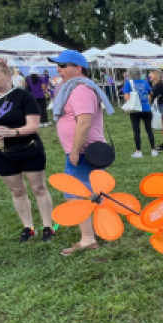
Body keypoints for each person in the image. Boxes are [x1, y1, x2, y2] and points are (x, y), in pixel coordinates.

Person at [0, 56, 54, 242]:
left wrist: (12, 133)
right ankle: (28, 227)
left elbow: (33, 125)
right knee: (17, 191)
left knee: (38, 188)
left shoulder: (23, 96)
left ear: (7, 75)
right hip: (0, 151)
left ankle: (48, 226)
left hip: (28, 147)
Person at [49, 49, 115, 254]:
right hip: (82, 151)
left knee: (76, 196)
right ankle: (103, 229)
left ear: (77, 68)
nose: (58, 69)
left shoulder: (80, 90)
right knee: (94, 193)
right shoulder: (73, 88)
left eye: (62, 65)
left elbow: (84, 123)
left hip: (83, 152)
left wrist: (76, 151)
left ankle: (88, 238)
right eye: (58, 65)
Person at [123, 66, 157, 158]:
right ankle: (153, 150)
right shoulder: (145, 82)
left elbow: (127, 97)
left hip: (135, 110)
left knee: (136, 131)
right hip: (146, 108)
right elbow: (151, 94)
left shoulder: (128, 83)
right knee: (149, 129)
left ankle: (138, 151)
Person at [149, 69, 163, 152]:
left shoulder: (160, 85)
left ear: (156, 75)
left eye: (151, 74)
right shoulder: (156, 84)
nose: (150, 75)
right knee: (162, 126)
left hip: (161, 106)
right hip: (159, 106)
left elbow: (152, 95)